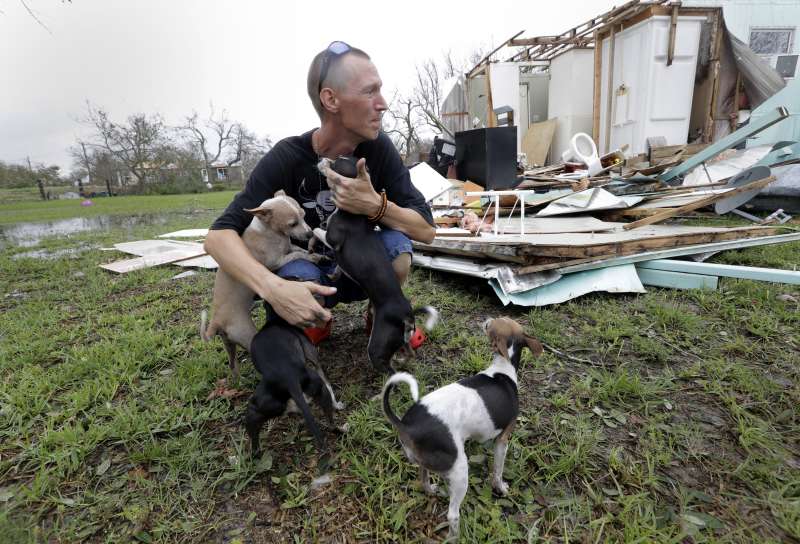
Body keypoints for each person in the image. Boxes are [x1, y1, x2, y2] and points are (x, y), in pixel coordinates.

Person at [204, 41, 435, 345]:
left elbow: (427, 230)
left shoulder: (379, 149)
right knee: (294, 277)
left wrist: (376, 207)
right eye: (369, 91)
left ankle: (380, 311)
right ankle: (312, 318)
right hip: (303, 265)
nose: (383, 103)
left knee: (398, 248)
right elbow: (217, 238)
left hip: (357, 263)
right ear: (331, 99)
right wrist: (271, 287)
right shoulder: (286, 156)